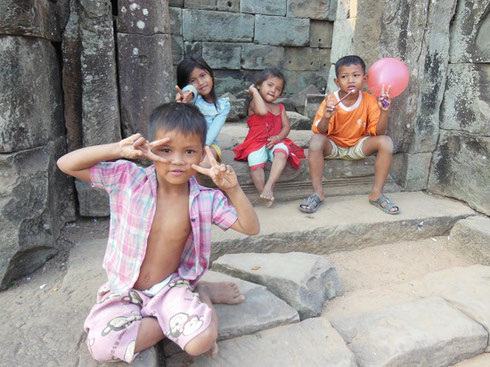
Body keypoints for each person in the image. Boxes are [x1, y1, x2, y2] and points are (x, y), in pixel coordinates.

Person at [57, 103, 260, 363]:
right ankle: (175, 319)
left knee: (200, 342)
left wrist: (233, 189)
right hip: (125, 287)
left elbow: (251, 227)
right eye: (166, 149)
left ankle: (200, 295)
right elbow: (66, 164)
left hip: (169, 288)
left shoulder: (205, 199)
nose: (177, 160)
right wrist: (118, 149)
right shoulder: (128, 178)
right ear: (151, 148)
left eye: (189, 151)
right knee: (101, 347)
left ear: (201, 155)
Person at [299, 55, 399, 215]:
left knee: (386, 142)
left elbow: (380, 133)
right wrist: (326, 116)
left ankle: (376, 194)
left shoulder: (369, 100)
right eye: (344, 77)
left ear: (365, 78)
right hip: (334, 146)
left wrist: (384, 112)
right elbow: (320, 131)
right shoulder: (331, 101)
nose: (350, 80)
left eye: (356, 75)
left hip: (358, 146)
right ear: (337, 82)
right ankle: (318, 193)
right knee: (316, 141)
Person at [233, 68, 305, 207]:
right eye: (270, 85)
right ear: (259, 85)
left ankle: (269, 186)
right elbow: (262, 111)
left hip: (275, 141)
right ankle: (263, 193)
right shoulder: (255, 104)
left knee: (282, 151)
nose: (273, 90)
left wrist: (278, 138)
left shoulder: (280, 107)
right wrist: (254, 92)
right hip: (255, 143)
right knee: (255, 161)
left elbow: (286, 127)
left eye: (278, 89)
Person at [175, 54, 230, 168]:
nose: (200, 82)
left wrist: (200, 148)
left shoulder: (223, 105)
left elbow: (213, 131)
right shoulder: (194, 99)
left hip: (209, 145)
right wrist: (186, 95)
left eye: (203, 75)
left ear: (211, 75)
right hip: (185, 143)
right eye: (193, 80)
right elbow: (189, 92)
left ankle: (221, 173)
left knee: (201, 162)